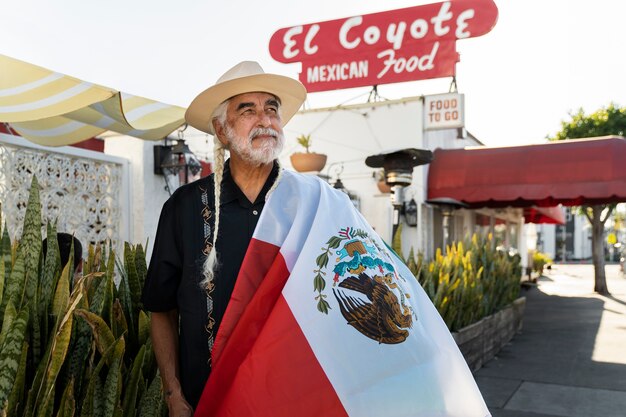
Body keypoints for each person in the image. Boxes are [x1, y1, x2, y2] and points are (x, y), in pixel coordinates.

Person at [141, 61, 306, 416]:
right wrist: (174, 395)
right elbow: (160, 307)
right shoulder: (183, 208)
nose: (264, 120)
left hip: (294, 400)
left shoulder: (309, 205)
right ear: (221, 128)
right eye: (248, 110)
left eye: (271, 109)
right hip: (208, 402)